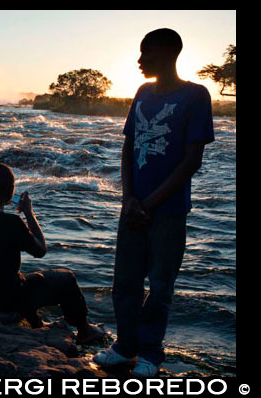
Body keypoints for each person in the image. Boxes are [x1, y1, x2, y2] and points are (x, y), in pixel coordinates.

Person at [93, 28, 215, 377]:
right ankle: (124, 347)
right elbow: (128, 147)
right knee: (125, 282)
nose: (139, 60)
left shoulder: (196, 96)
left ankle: (150, 354)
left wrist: (149, 203)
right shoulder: (142, 93)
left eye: (145, 53)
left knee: (160, 285)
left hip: (169, 212)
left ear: (166, 53)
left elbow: (192, 161)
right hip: (132, 209)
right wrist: (129, 198)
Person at [0, 162, 104, 344]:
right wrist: (29, 214)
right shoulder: (12, 222)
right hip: (12, 297)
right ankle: (85, 330)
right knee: (66, 279)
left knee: (23, 279)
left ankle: (35, 322)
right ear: (11, 193)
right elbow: (40, 250)